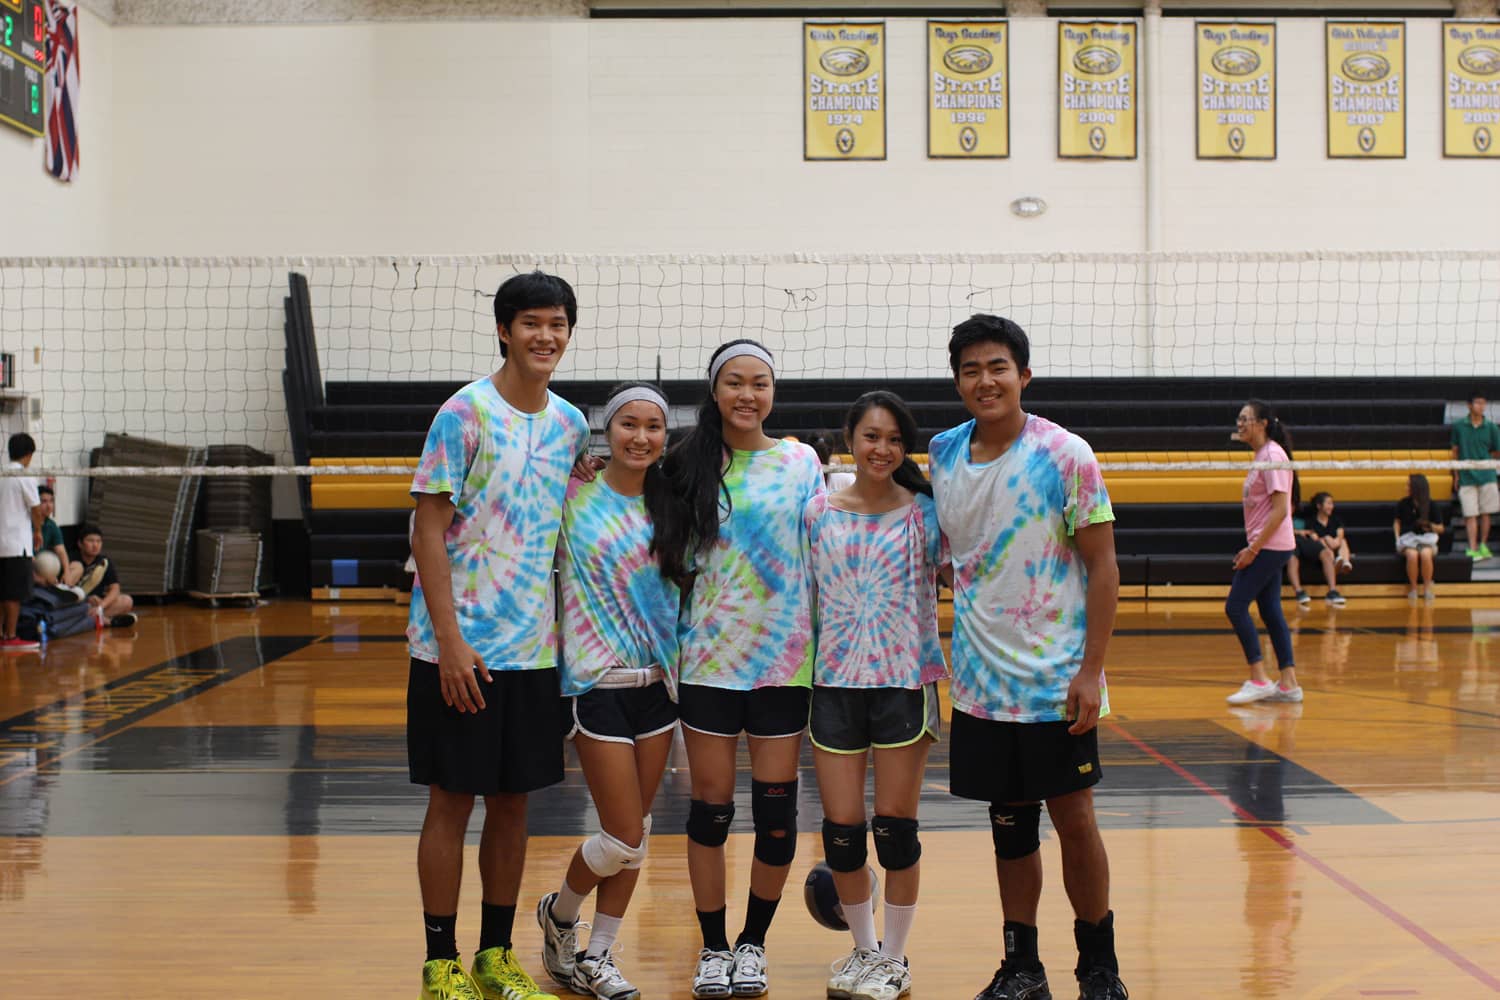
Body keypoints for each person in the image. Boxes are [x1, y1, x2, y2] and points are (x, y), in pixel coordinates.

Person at [927, 315, 1127, 1000]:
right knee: (1010, 828)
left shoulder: (1066, 454)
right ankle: (1022, 968)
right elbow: (953, 554)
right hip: (981, 685)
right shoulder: (943, 452)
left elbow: (1104, 567)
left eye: (998, 367)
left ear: (1024, 375)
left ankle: (1099, 967)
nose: (985, 381)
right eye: (971, 370)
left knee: (1074, 821)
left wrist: (1091, 671)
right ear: (958, 381)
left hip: (1055, 683)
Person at [406, 270, 589, 1000]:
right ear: (505, 331)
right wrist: (449, 641)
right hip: (460, 649)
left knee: (514, 804)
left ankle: (494, 955)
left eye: (557, 323)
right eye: (532, 323)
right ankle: (440, 961)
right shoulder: (464, 413)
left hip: (533, 651)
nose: (546, 335)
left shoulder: (571, 425)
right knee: (452, 800)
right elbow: (427, 529)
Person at [662, 339, 825, 1000]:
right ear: (715, 390)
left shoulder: (801, 462)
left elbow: (827, 545)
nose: (748, 394)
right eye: (735, 382)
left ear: (773, 392)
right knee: (711, 812)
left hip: (784, 662)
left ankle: (753, 944)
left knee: (776, 815)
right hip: (708, 660)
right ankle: (713, 947)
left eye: (760, 383)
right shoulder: (685, 464)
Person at [535, 382, 689, 1000]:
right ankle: (559, 913)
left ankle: (596, 956)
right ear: (607, 429)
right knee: (622, 834)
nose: (641, 436)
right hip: (596, 684)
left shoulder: (673, 503)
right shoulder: (572, 494)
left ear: (666, 437)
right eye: (629, 424)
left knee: (638, 834)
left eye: (654, 426)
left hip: (660, 687)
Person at [805, 391, 948, 1000]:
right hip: (834, 685)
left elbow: (968, 574)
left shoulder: (925, 514)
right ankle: (863, 952)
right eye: (871, 436)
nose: (881, 448)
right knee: (842, 832)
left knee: (895, 831)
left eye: (893, 439)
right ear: (850, 439)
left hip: (903, 684)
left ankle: (894, 958)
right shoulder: (817, 514)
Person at [1224, 400, 1303, 706]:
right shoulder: (1263, 456)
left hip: (1270, 546)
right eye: (1239, 419)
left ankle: (1259, 679)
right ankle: (1289, 684)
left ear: (1263, 423)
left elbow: (1282, 509)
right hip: (1269, 544)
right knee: (1270, 610)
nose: (1240, 424)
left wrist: (1253, 549)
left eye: (1246, 419)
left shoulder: (1273, 456)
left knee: (1235, 606)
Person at [0, 433, 44, 651]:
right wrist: (38, 530)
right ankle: (10, 636)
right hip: (16, 544)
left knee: (2, 593)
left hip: (2, 544)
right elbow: (35, 508)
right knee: (13, 594)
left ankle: (2, 635)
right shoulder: (24, 476)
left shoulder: (2, 474)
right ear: (29, 454)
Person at [1449, 392, 1500, 560]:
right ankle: (1473, 548)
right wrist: (1456, 474)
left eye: (1484, 403)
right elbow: (1455, 452)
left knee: (1486, 513)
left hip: (1487, 475)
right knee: (1470, 513)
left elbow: (1497, 451)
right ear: (1469, 405)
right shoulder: (1459, 426)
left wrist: (1488, 464)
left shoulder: (1491, 427)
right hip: (1466, 475)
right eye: (1478, 402)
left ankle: (1483, 545)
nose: (1481, 406)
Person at [1285, 492, 1352, 607]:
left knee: (1326, 553)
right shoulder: (1276, 515)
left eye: (1293, 505)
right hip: (1289, 542)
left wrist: (1306, 533)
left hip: (1304, 541)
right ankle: (1299, 592)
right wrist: (1299, 532)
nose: (1291, 507)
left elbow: (1312, 534)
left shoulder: (1302, 518)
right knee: (1292, 557)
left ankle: (1332, 591)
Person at [74, 525, 138, 627]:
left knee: (127, 601)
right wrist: (86, 598)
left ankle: (94, 618)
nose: (95, 545)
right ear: (80, 544)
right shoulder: (73, 561)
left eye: (98, 541)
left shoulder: (104, 562)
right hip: (77, 603)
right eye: (90, 541)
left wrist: (101, 606)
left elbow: (115, 589)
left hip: (95, 606)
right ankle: (108, 621)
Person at [1394, 474, 1445, 602]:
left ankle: (1427, 589)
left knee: (1425, 554)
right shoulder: (1403, 503)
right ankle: (1413, 589)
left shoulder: (1431, 504)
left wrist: (1429, 525)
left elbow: (1441, 528)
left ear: (1416, 487)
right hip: (1408, 541)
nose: (1406, 487)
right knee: (1412, 555)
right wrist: (1397, 538)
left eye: (1408, 485)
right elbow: (1397, 522)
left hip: (1426, 541)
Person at [36, 485, 79, 586]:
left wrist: (67, 572)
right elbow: (28, 557)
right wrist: (47, 574)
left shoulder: (51, 525)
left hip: (49, 566)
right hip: (33, 567)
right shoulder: (27, 524)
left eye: (51, 501)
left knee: (77, 566)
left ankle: (63, 587)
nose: (49, 506)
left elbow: (61, 551)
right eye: (44, 502)